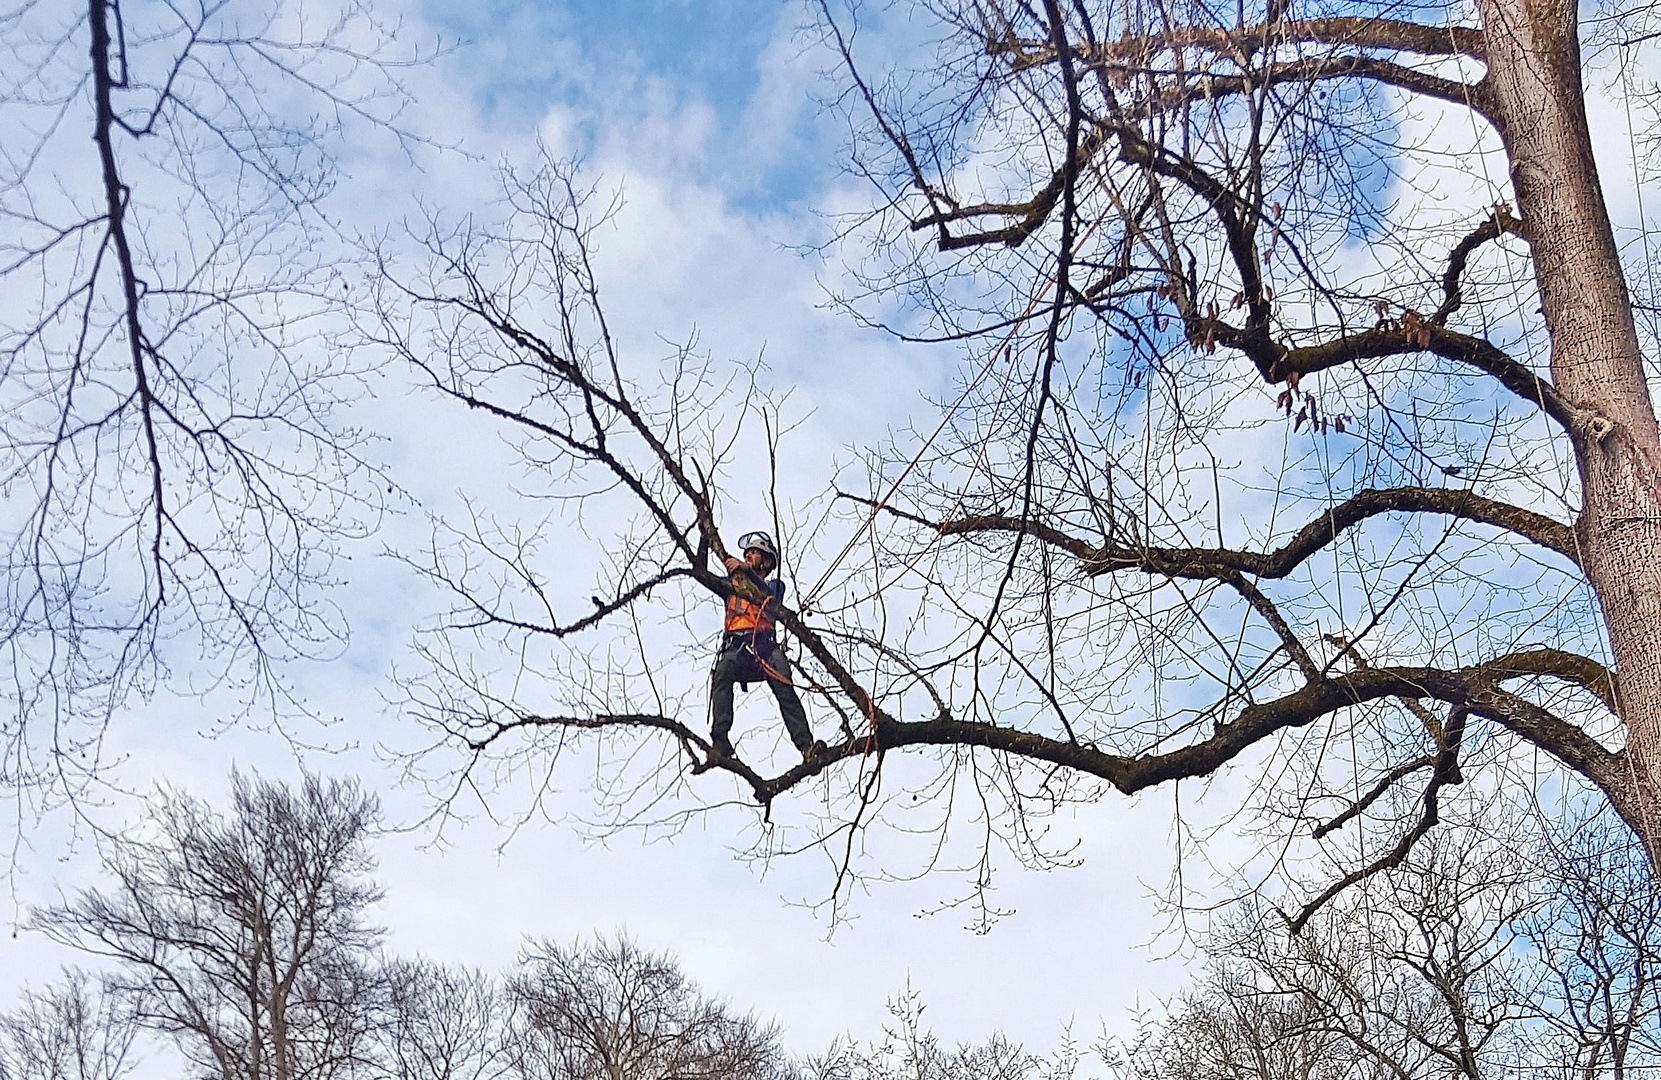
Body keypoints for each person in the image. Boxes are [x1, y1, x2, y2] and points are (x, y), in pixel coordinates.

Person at [709, 531, 825, 762]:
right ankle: (720, 740)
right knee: (722, 673)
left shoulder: (774, 586)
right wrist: (705, 539)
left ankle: (806, 746)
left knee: (785, 689)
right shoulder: (730, 585)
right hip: (737, 648)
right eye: (747, 553)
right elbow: (702, 574)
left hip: (765, 650)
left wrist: (745, 570)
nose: (749, 556)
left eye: (754, 553)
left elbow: (769, 599)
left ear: (767, 561)